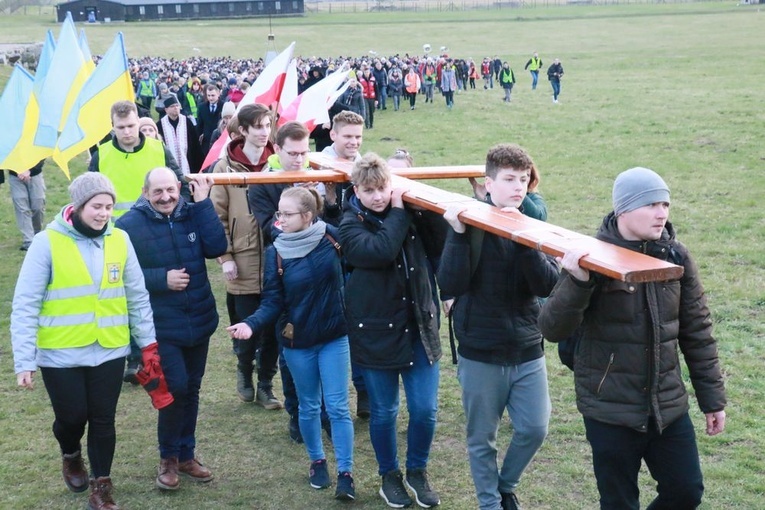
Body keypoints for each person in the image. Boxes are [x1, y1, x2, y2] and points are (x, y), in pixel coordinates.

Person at [538, 167, 727, 510]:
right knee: (619, 503)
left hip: (667, 406)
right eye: (651, 204)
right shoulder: (591, 257)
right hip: (610, 410)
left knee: (686, 491)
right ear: (624, 209)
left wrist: (712, 399)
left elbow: (697, 331)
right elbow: (552, 329)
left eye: (665, 204)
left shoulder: (676, 256)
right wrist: (578, 281)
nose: (662, 213)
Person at [11, 172, 160, 510]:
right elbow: (25, 303)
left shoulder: (120, 240)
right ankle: (70, 452)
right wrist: (24, 360)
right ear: (77, 207)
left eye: (108, 206)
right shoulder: (46, 242)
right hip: (60, 354)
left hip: (109, 348)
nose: (104, 213)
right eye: (96, 206)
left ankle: (101, 486)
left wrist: (148, 345)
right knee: (72, 418)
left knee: (103, 419)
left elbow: (137, 296)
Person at [438, 144, 559, 510]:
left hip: (526, 347)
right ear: (488, 184)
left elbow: (548, 286)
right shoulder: (469, 226)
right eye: (509, 179)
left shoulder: (533, 225)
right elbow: (450, 283)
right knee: (482, 438)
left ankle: (505, 484)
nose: (518, 187)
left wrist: (525, 242)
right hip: (480, 351)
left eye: (523, 179)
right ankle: (490, 503)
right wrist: (458, 235)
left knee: (535, 428)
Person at [228, 187, 356, 501]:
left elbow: (358, 268)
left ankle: (346, 474)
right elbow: (272, 302)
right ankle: (317, 462)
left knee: (338, 408)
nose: (279, 220)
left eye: (287, 214)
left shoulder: (332, 238)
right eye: (279, 213)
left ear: (307, 216)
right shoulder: (277, 252)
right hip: (298, 342)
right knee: (309, 405)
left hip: (334, 337)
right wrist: (250, 324)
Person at [339, 153, 444, 509]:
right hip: (376, 333)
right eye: (369, 191)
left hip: (418, 327)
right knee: (384, 411)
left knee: (425, 409)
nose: (378, 197)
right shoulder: (349, 223)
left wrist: (423, 207)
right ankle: (389, 475)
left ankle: (418, 470)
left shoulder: (410, 213)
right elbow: (380, 251)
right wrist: (400, 212)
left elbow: (443, 244)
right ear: (357, 190)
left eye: (383, 188)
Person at [115, 167, 227, 492]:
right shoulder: (128, 226)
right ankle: (168, 458)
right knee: (175, 388)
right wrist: (160, 280)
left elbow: (217, 246)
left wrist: (204, 204)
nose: (165, 197)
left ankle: (186, 455)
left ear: (179, 188)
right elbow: (120, 274)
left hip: (200, 320)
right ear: (145, 192)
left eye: (170, 190)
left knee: (191, 389)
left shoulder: (193, 213)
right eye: (157, 192)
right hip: (161, 326)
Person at [210, 104, 282, 410]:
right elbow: (217, 216)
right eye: (258, 126)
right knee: (245, 325)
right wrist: (225, 257)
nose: (265, 131)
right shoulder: (224, 167)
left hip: (277, 258)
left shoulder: (278, 163)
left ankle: (266, 383)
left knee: (274, 328)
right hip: (242, 258)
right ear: (243, 131)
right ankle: (244, 372)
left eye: (268, 125)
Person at [3, 159, 46, 251]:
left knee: (38, 206)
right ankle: (28, 240)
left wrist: (29, 170)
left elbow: (42, 154)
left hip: (35, 174)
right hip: (15, 176)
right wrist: (18, 170)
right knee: (22, 207)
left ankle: (37, 233)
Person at [157, 95, 204, 175]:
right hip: (168, 167)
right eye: (172, 106)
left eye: (177, 105)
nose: (176, 108)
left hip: (188, 163)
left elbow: (195, 145)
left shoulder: (187, 122)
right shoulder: (160, 125)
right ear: (166, 110)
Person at [197, 84, 224, 156]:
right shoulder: (202, 107)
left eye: (213, 95)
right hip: (206, 142)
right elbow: (199, 125)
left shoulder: (224, 106)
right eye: (208, 95)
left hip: (220, 140)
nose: (210, 98)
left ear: (218, 94)